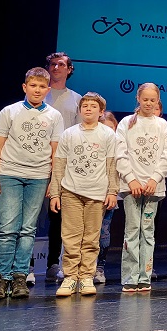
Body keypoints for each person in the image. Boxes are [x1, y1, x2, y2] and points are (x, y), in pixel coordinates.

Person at [0, 67, 64, 301]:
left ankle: (20, 275)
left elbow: (56, 152)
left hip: (39, 176)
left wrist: (54, 182)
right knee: (7, 227)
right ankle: (1, 277)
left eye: (42, 86)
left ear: (48, 90)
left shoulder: (54, 116)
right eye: (33, 85)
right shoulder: (9, 111)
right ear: (25, 87)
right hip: (10, 173)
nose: (37, 90)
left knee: (28, 229)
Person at [49, 92, 118, 297]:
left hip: (97, 193)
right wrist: (55, 193)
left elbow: (112, 165)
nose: (88, 109)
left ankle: (87, 276)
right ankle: (70, 277)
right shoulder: (69, 133)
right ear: (79, 110)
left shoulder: (108, 134)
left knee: (91, 237)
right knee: (71, 236)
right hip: (71, 191)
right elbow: (59, 165)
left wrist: (112, 191)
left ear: (101, 111)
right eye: (85, 106)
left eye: (93, 106)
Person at [115, 82, 167, 292]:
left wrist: (154, 179)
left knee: (147, 231)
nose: (148, 103)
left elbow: (166, 155)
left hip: (152, 188)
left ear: (158, 101)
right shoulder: (126, 123)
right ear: (138, 99)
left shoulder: (162, 125)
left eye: (152, 100)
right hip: (132, 187)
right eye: (145, 99)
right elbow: (120, 153)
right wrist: (132, 179)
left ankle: (145, 275)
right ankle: (130, 277)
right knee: (132, 230)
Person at [43, 51, 82, 283]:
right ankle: (25, 268)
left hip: (64, 166)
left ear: (69, 70)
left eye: (61, 64)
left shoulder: (76, 99)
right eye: (52, 64)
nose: (56, 68)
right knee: (32, 218)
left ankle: (53, 264)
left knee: (58, 217)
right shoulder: (39, 93)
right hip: (37, 162)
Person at [94, 110, 119, 284]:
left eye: (111, 128)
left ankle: (100, 267)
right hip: (90, 192)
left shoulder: (119, 146)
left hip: (108, 194)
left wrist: (113, 192)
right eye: (104, 127)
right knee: (87, 233)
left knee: (103, 232)